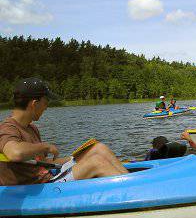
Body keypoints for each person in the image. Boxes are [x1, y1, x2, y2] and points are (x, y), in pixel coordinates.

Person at [0, 77, 128, 186]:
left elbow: (45, 163)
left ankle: (134, 183)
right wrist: (45, 146)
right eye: (46, 102)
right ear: (34, 104)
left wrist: (75, 158)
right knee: (97, 162)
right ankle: (135, 195)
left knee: (97, 148)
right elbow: (14, 153)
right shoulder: (7, 128)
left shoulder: (32, 128)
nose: (46, 107)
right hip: (41, 189)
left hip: (49, 178)